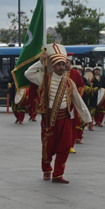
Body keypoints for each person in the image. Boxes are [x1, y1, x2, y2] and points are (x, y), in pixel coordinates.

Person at [25, 43, 91, 184]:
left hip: (65, 119)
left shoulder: (69, 82)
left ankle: (58, 174)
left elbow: (78, 101)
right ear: (53, 66)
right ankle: (47, 170)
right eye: (59, 64)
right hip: (49, 120)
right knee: (48, 148)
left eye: (63, 64)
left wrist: (87, 117)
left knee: (65, 147)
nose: (62, 67)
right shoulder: (43, 78)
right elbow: (28, 74)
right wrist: (41, 61)